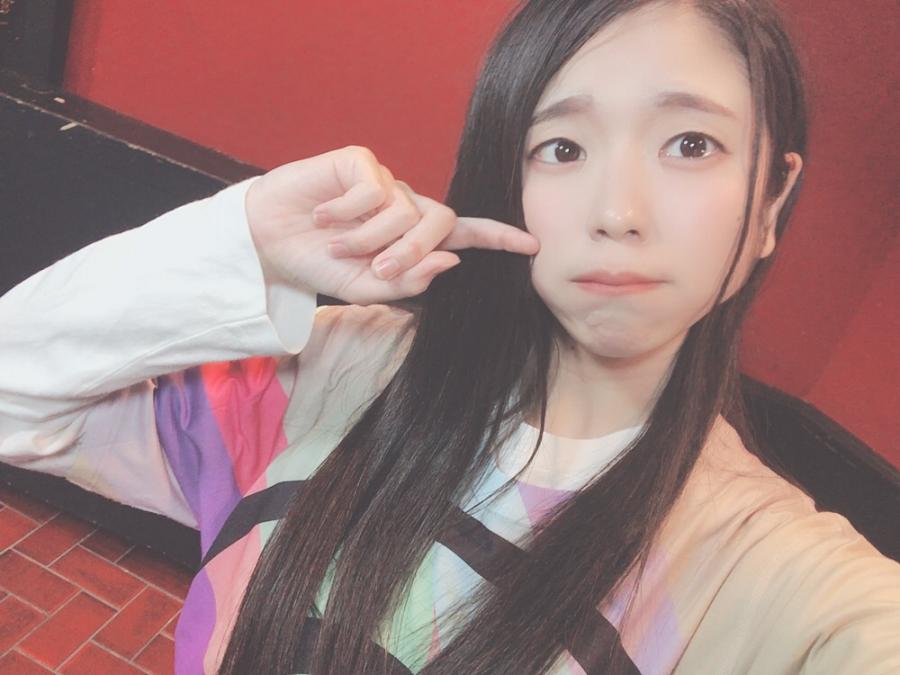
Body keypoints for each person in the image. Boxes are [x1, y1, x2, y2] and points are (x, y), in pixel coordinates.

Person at [1, 0, 898, 673]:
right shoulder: (330, 375)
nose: (618, 212)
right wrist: (246, 241)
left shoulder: (778, 582)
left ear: (771, 201)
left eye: (691, 144)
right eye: (563, 148)